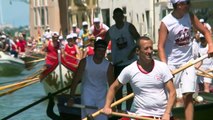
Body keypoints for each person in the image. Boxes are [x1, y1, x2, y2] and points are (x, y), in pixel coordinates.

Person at [158, 0, 213, 120]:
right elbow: (160, 47)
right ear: (179, 5)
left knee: (188, 94)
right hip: (171, 64)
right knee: (170, 97)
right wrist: (164, 67)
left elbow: (205, 31)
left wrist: (211, 45)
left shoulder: (190, 16)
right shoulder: (166, 22)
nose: (189, 5)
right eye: (187, 2)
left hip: (188, 62)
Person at [103, 36, 176, 120]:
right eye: (146, 49)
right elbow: (113, 87)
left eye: (151, 48)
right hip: (142, 115)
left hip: (163, 115)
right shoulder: (129, 70)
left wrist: (167, 113)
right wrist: (107, 106)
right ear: (137, 51)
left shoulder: (162, 67)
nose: (150, 51)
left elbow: (172, 92)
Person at [105, 7, 140, 110]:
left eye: (121, 16)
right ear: (113, 18)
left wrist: (134, 51)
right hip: (118, 64)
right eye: (117, 17)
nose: (119, 18)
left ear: (123, 17)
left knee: (130, 89)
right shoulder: (111, 31)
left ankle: (128, 110)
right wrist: (106, 55)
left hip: (131, 63)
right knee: (117, 89)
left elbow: (139, 40)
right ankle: (119, 110)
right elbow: (104, 44)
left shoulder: (129, 27)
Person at [69, 40, 114, 120]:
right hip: (87, 96)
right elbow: (75, 80)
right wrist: (71, 98)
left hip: (102, 98)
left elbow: (112, 87)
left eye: (103, 51)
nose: (101, 53)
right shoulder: (84, 62)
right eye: (99, 50)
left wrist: (112, 104)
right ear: (94, 50)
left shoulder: (109, 66)